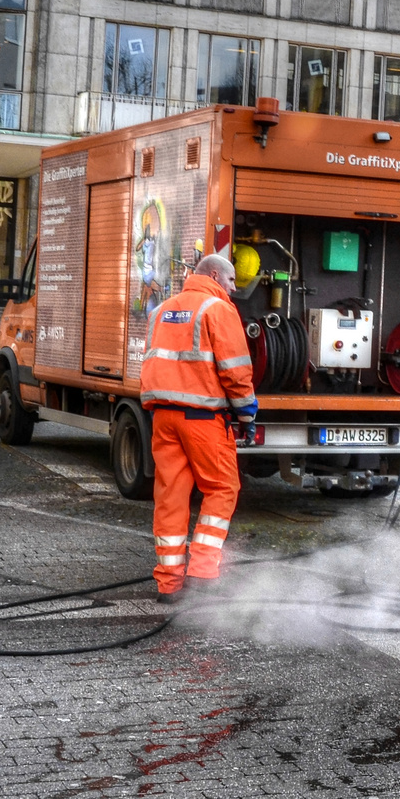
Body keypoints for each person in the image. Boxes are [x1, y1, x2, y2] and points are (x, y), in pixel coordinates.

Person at [139, 252, 258, 604]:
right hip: (203, 419)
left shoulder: (162, 310)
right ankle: (204, 575)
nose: (234, 289)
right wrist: (247, 415)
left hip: (163, 417)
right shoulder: (218, 310)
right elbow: (236, 371)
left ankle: (169, 585)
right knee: (222, 488)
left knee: (171, 498)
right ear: (216, 276)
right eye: (232, 281)